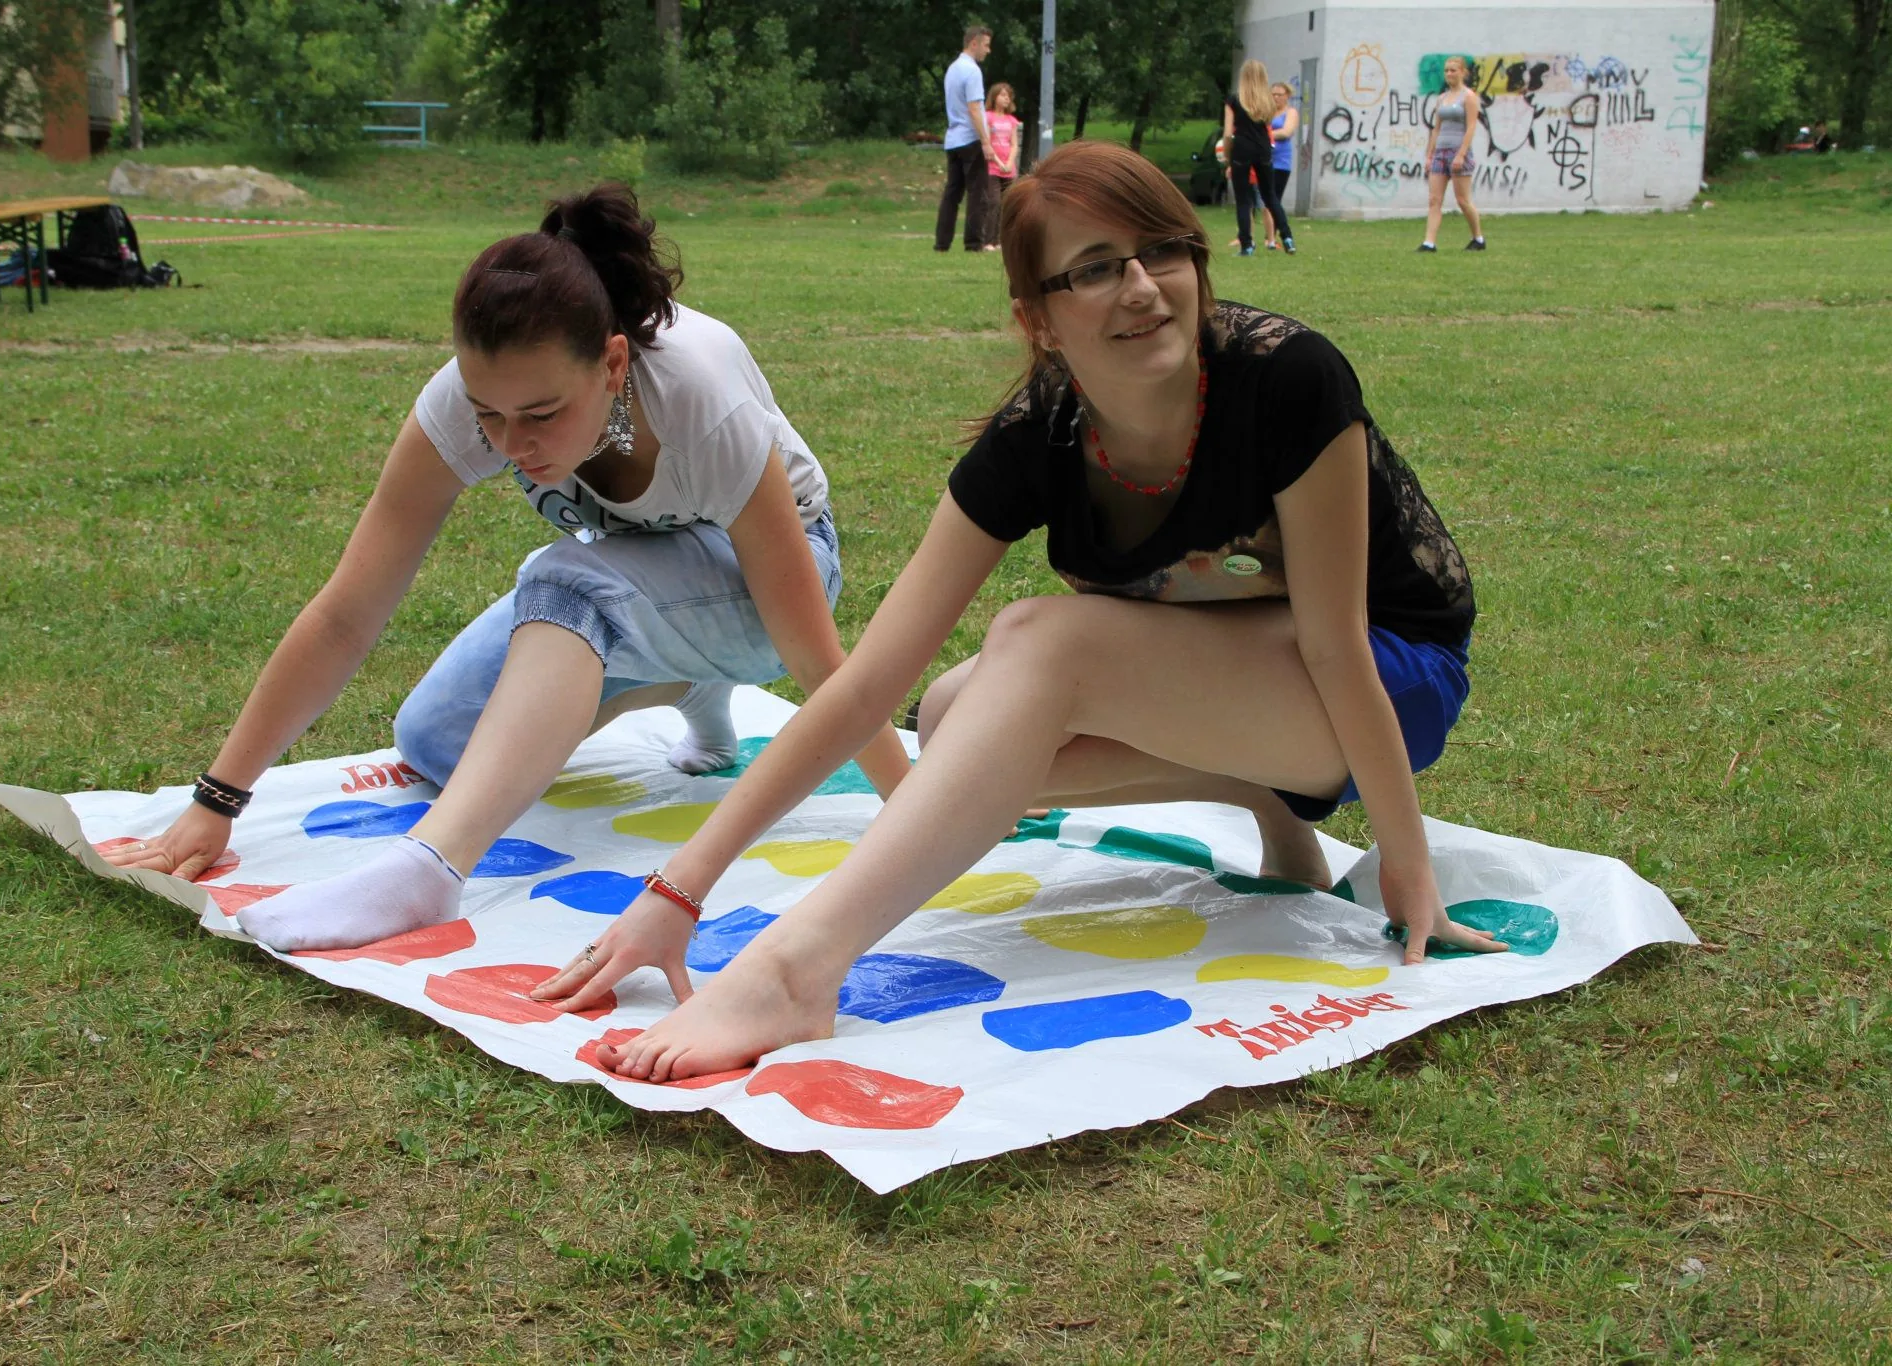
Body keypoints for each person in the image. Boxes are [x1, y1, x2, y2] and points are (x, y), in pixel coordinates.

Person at [533, 141, 1501, 1083]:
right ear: (1036, 316)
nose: (1140, 288)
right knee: (957, 716)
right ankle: (1269, 811)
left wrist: (1402, 855)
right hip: (1244, 678)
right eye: (1090, 271)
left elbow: (1335, 645)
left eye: (1161, 250)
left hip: (1386, 674)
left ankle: (795, 968)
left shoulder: (1286, 378)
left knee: (1041, 643)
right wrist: (677, 888)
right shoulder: (1039, 436)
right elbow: (867, 679)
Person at [103, 184, 912, 955]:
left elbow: (810, 652)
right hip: (641, 589)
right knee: (437, 740)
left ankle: (429, 870)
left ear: (613, 364)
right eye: (489, 414)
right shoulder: (462, 400)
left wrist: (909, 802)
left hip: (776, 583)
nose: (512, 445)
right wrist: (218, 800)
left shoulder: (702, 397)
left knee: (564, 582)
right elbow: (348, 610)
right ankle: (686, 680)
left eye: (541, 414)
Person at [1224, 60, 1293, 256]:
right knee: (1270, 195)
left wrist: (1227, 156)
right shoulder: (1268, 103)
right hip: (1263, 149)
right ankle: (1287, 237)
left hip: (1241, 150)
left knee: (1243, 199)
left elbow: (1229, 133)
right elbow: (1267, 127)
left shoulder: (1234, 101)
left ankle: (1246, 243)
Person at [935, 25, 994, 254]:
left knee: (952, 194)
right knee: (978, 194)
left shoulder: (952, 69)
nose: (988, 51)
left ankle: (942, 243)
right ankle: (973, 243)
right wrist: (986, 141)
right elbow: (974, 108)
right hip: (971, 139)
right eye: (986, 45)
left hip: (953, 139)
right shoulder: (972, 71)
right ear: (974, 43)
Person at [1420, 57, 1485, 252]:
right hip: (1440, 152)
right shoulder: (1441, 98)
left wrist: (1461, 154)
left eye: (1453, 70)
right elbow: (1436, 129)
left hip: (1458, 152)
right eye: (1447, 70)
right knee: (1434, 199)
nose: (1449, 74)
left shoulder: (1468, 97)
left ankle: (1478, 238)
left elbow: (1471, 126)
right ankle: (1429, 243)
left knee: (1463, 200)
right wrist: (1430, 155)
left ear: (1463, 73)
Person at [981, 82, 1022, 251]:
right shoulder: (988, 117)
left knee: (1007, 204)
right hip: (992, 167)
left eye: (1008, 96)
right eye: (1002, 95)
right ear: (994, 97)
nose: (1006, 99)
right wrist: (998, 162)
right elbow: (987, 142)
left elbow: (1014, 144)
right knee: (994, 202)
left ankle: (1000, 241)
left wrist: (1009, 162)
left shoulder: (1011, 120)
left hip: (1008, 168)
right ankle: (988, 240)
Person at [1268, 81, 1299, 214]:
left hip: (1281, 161)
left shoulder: (1291, 112)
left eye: (1279, 95)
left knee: (1275, 198)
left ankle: (1277, 232)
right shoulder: (1267, 113)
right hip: (1264, 159)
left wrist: (1265, 135)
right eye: (1273, 94)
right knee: (1264, 200)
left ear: (1287, 96)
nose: (1276, 98)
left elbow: (1286, 132)